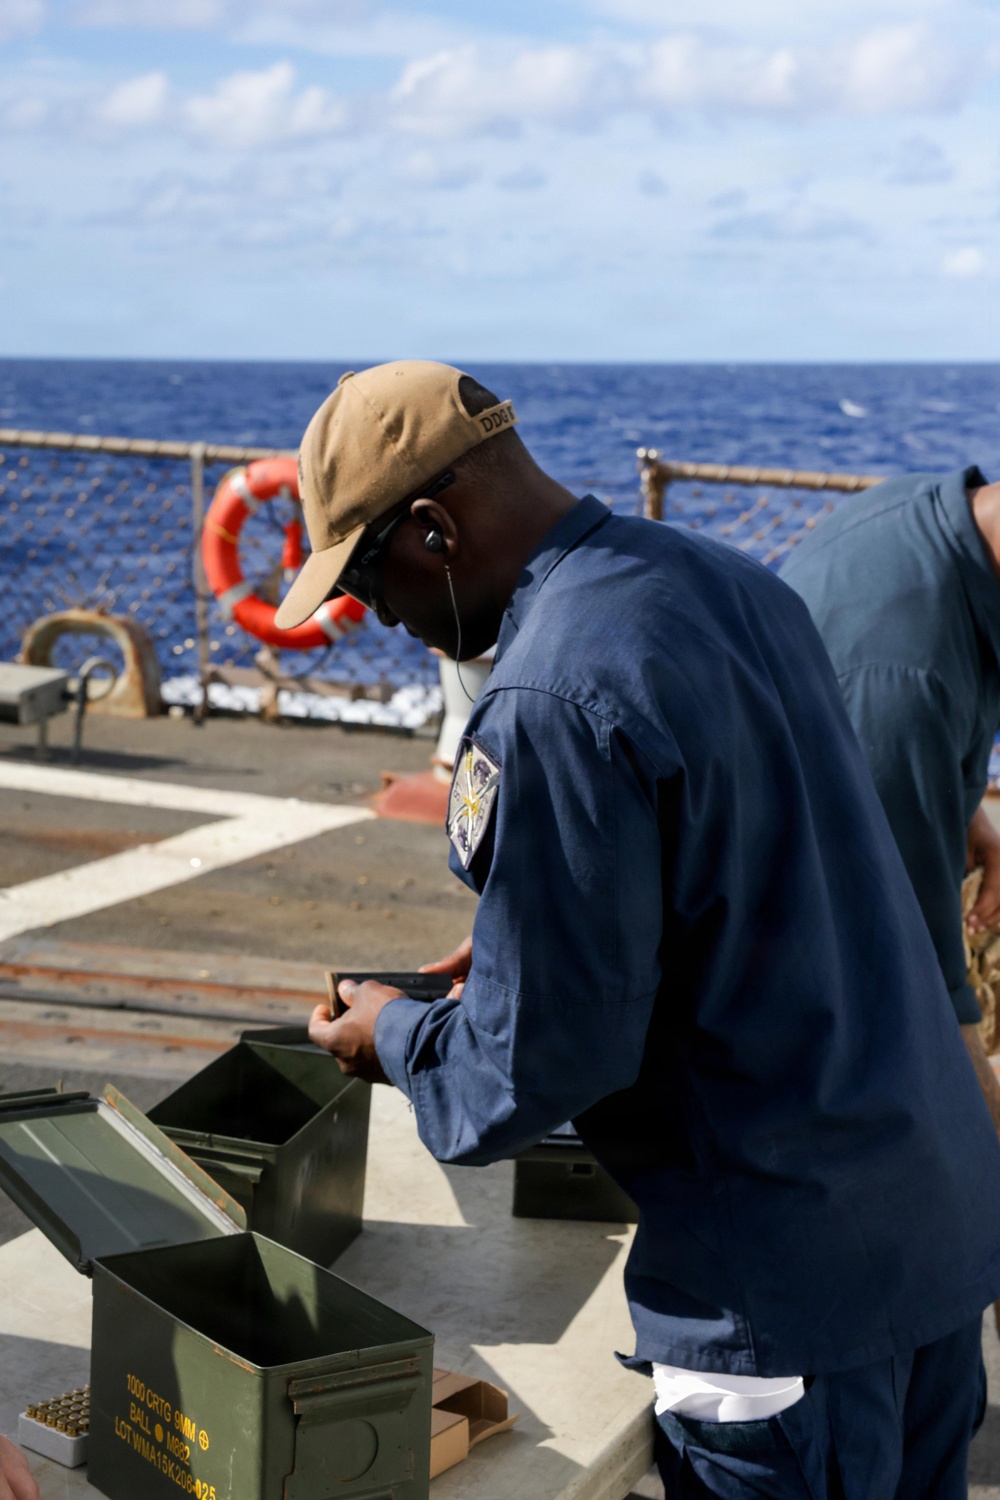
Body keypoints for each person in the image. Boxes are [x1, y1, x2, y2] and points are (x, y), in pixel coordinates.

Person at [277, 362, 1000, 1499]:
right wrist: (536, 935)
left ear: (434, 529)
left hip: (778, 1296)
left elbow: (534, 1067)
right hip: (928, 1234)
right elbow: (764, 869)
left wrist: (399, 1037)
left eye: (368, 577)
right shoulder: (726, 580)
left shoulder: (547, 693)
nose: (380, 617)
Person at [781, 467, 1000, 1131]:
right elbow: (920, 980)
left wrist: (966, 809)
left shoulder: (936, 510)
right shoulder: (904, 676)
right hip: (788, 985)